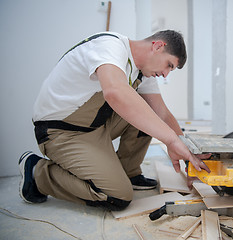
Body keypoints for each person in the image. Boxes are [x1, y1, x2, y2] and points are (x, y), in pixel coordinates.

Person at [19, 30, 210, 211]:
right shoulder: (110, 46)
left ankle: (129, 171)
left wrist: (188, 157)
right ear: (158, 46)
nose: (166, 74)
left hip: (94, 126)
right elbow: (114, 93)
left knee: (148, 112)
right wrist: (171, 140)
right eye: (169, 65)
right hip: (62, 131)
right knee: (117, 196)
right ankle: (38, 173)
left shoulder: (142, 71)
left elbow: (162, 114)